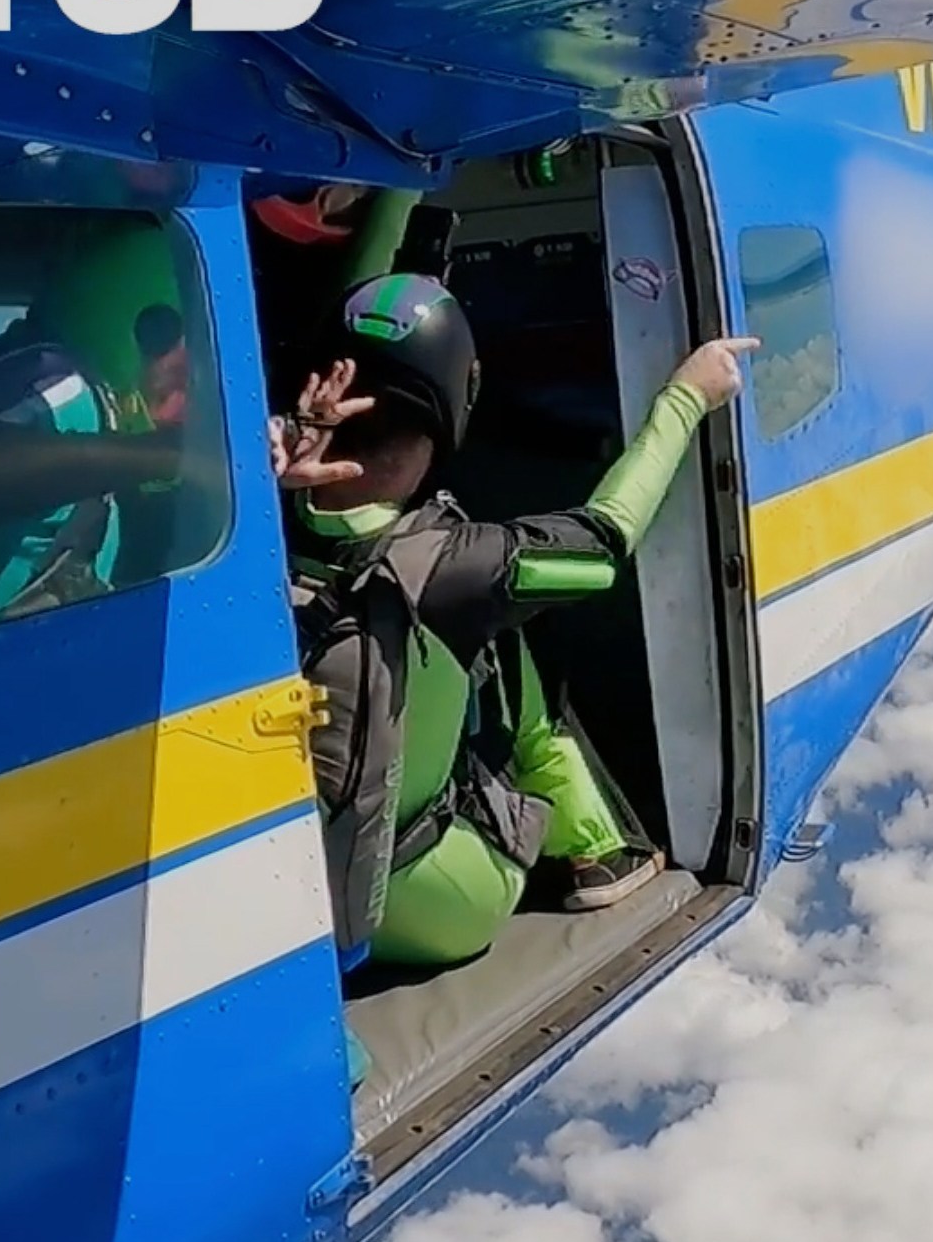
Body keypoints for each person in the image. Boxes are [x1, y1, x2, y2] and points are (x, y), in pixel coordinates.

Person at [273, 271, 751, 999]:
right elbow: (606, 539)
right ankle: (598, 854)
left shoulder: (249, 510)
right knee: (504, 636)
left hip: (271, 877)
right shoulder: (451, 567)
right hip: (421, 898)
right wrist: (687, 396)